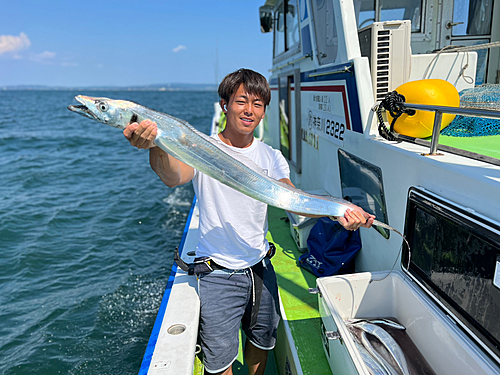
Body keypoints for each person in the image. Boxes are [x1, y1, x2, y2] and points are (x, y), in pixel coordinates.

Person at [123, 68, 374, 375]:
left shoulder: (270, 156)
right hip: (217, 273)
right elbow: (174, 177)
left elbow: (293, 201)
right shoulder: (201, 146)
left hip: (260, 267)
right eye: (242, 101)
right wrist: (156, 148)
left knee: (262, 343)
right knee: (219, 361)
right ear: (224, 104)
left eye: (258, 104)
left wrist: (340, 214)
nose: (249, 110)